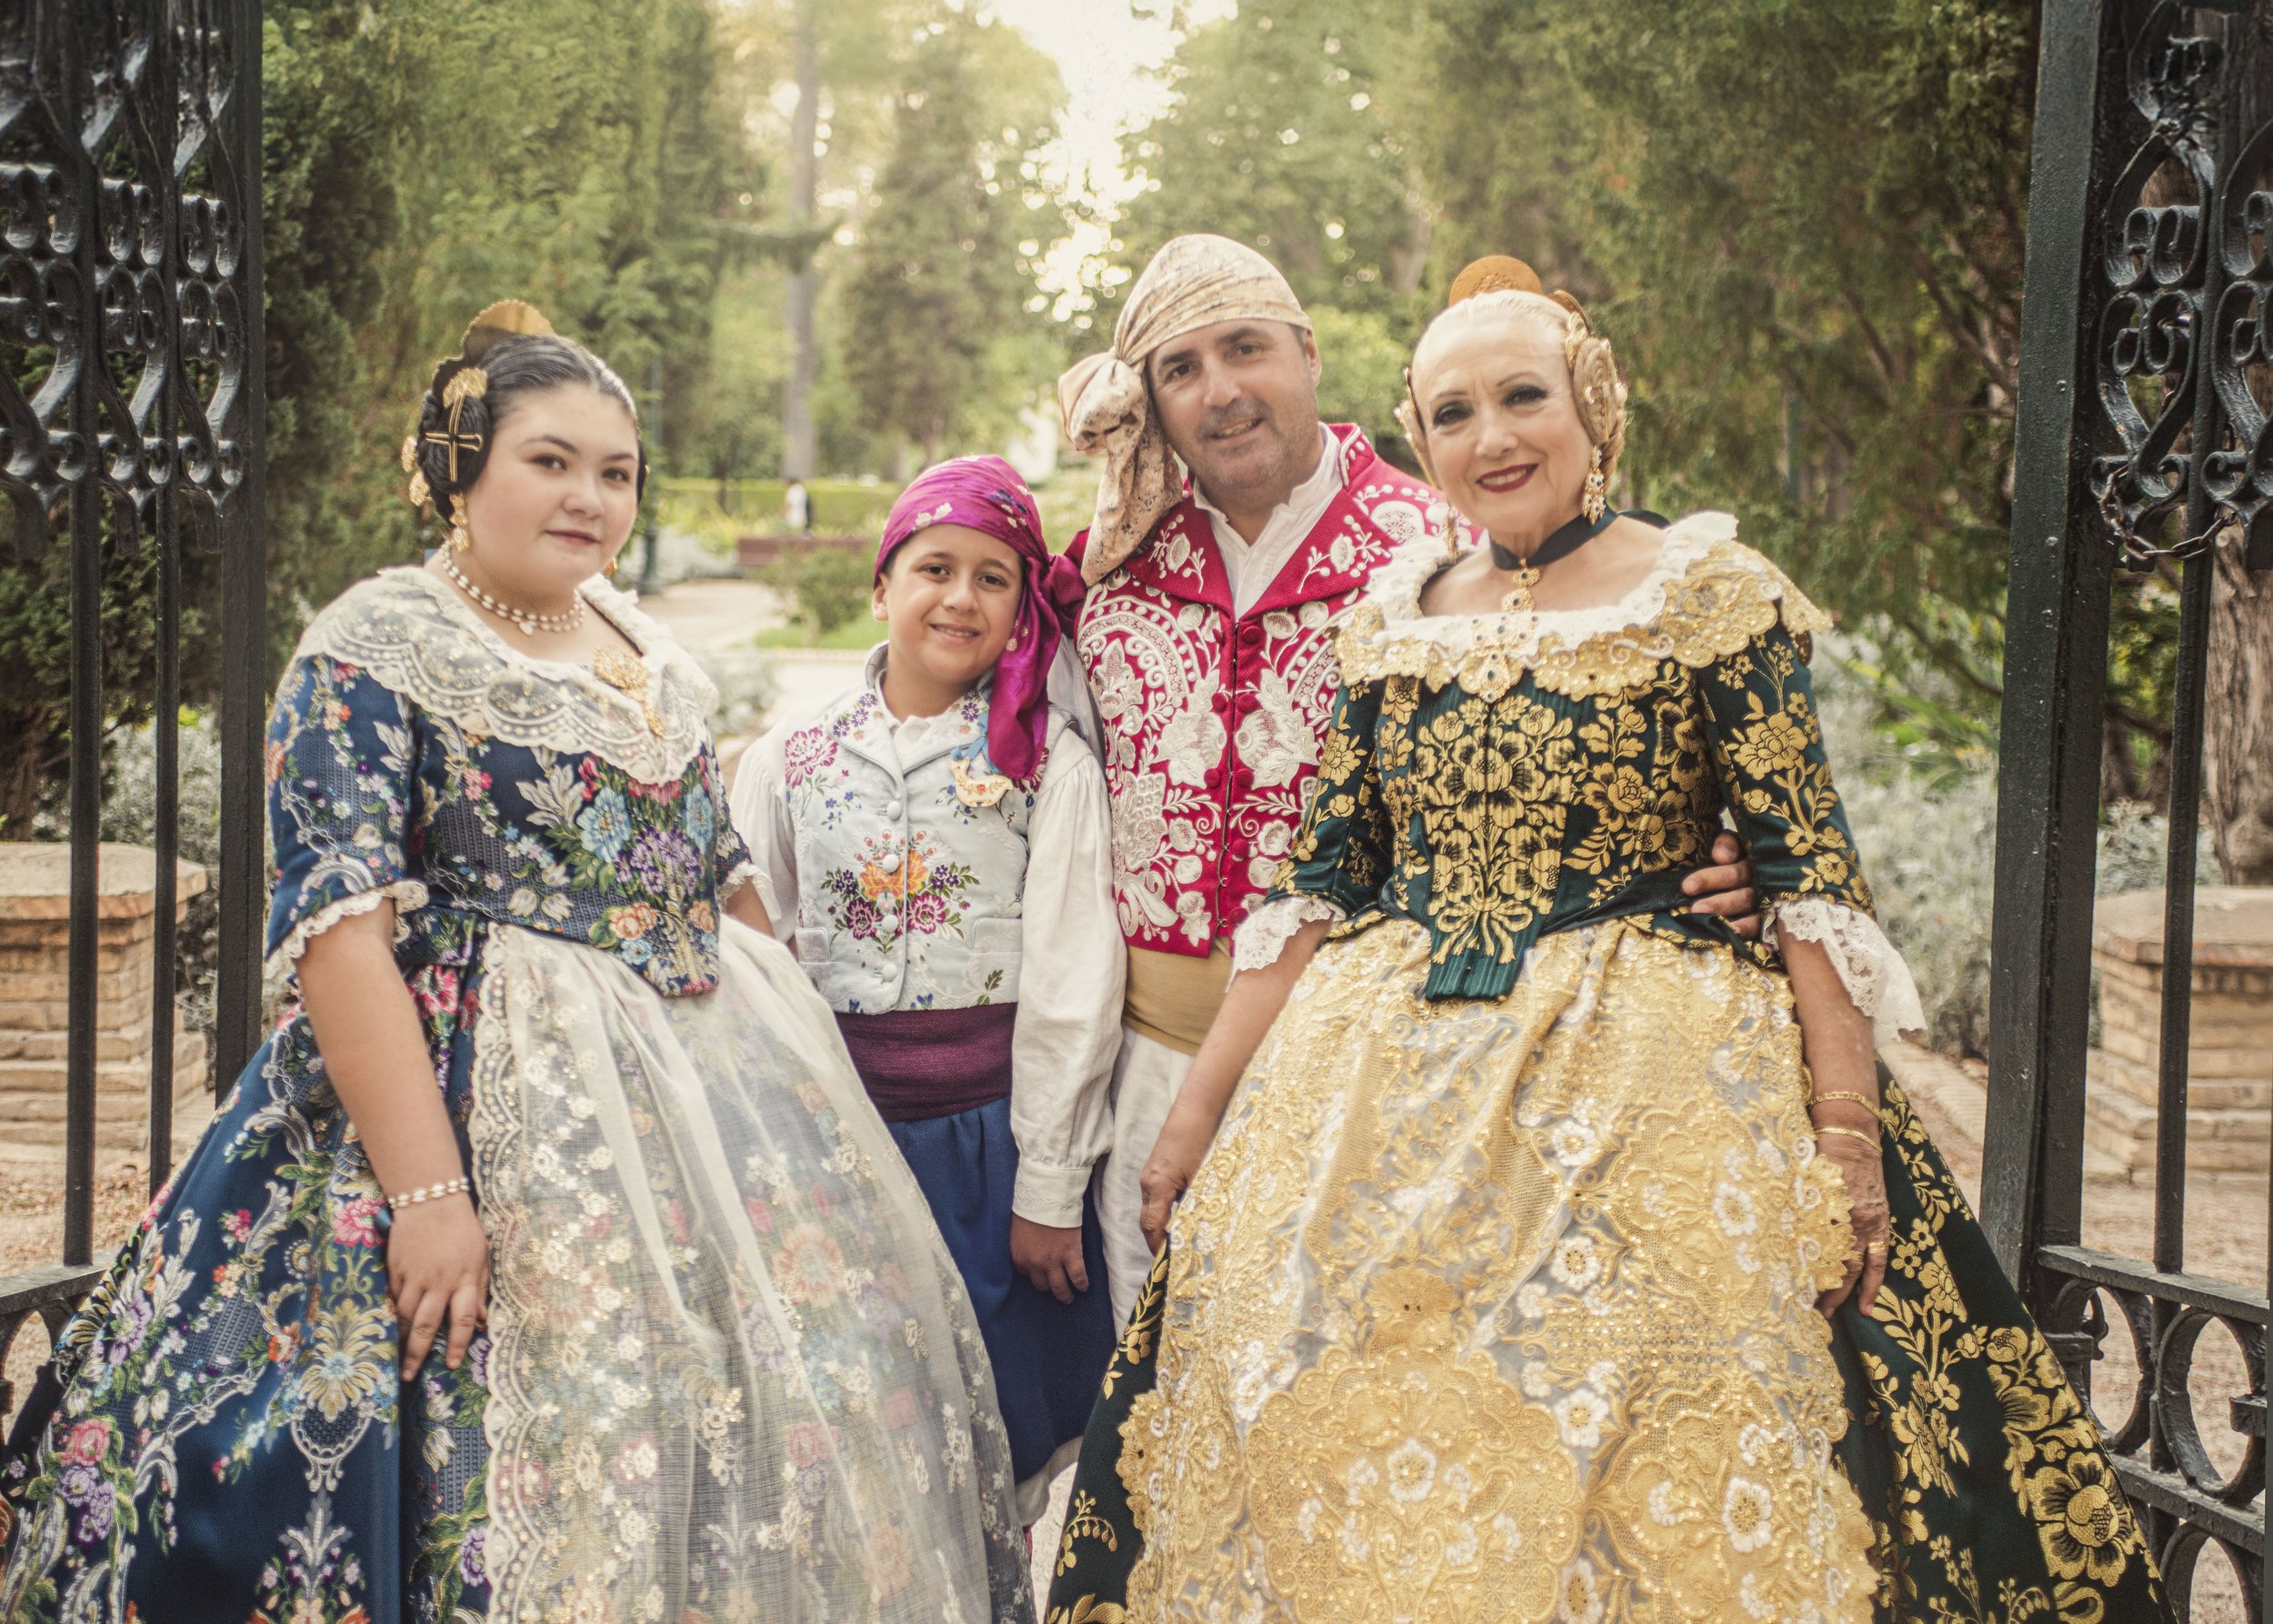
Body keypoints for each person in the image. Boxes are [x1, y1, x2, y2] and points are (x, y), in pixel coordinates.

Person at [1046, 259, 2165, 1622]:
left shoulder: (1706, 589)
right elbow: (1316, 890)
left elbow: (1809, 878)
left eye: (1524, 396)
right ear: (1420, 438)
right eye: (1452, 412)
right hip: (1389, 1082)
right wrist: (1195, 1122)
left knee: (1651, 1397)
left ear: (1594, 409)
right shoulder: (1392, 615)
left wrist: (1848, 1139)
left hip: (1658, 1089)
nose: (1492, 435)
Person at [0, 305, 1031, 1624]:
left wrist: (813, 1121)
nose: (589, 496)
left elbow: (716, 881)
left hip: (699, 1098)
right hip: (458, 1095)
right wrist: (430, 1190)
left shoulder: (647, 653)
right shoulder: (376, 645)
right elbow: (338, 929)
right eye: (551, 460)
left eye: (617, 471)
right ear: (459, 465)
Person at [1056, 235, 1760, 1329]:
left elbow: (1635, 718)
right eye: (1179, 368)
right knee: (1155, 1404)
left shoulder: (1443, 546)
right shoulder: (1105, 575)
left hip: (1385, 1062)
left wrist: (1720, 858)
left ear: (1309, 352)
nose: (1220, 391)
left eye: (1244, 348)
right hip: (1141, 1069)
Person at [730, 455, 1122, 1524]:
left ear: (1022, 605)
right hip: (838, 1147)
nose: (960, 597)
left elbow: (1074, 983)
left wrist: (1046, 1190)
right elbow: (744, 941)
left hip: (989, 1151)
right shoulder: (793, 757)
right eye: (934, 567)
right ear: (882, 585)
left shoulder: (1046, 765)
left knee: (995, 1434)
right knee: (859, 1421)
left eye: (994, 577)